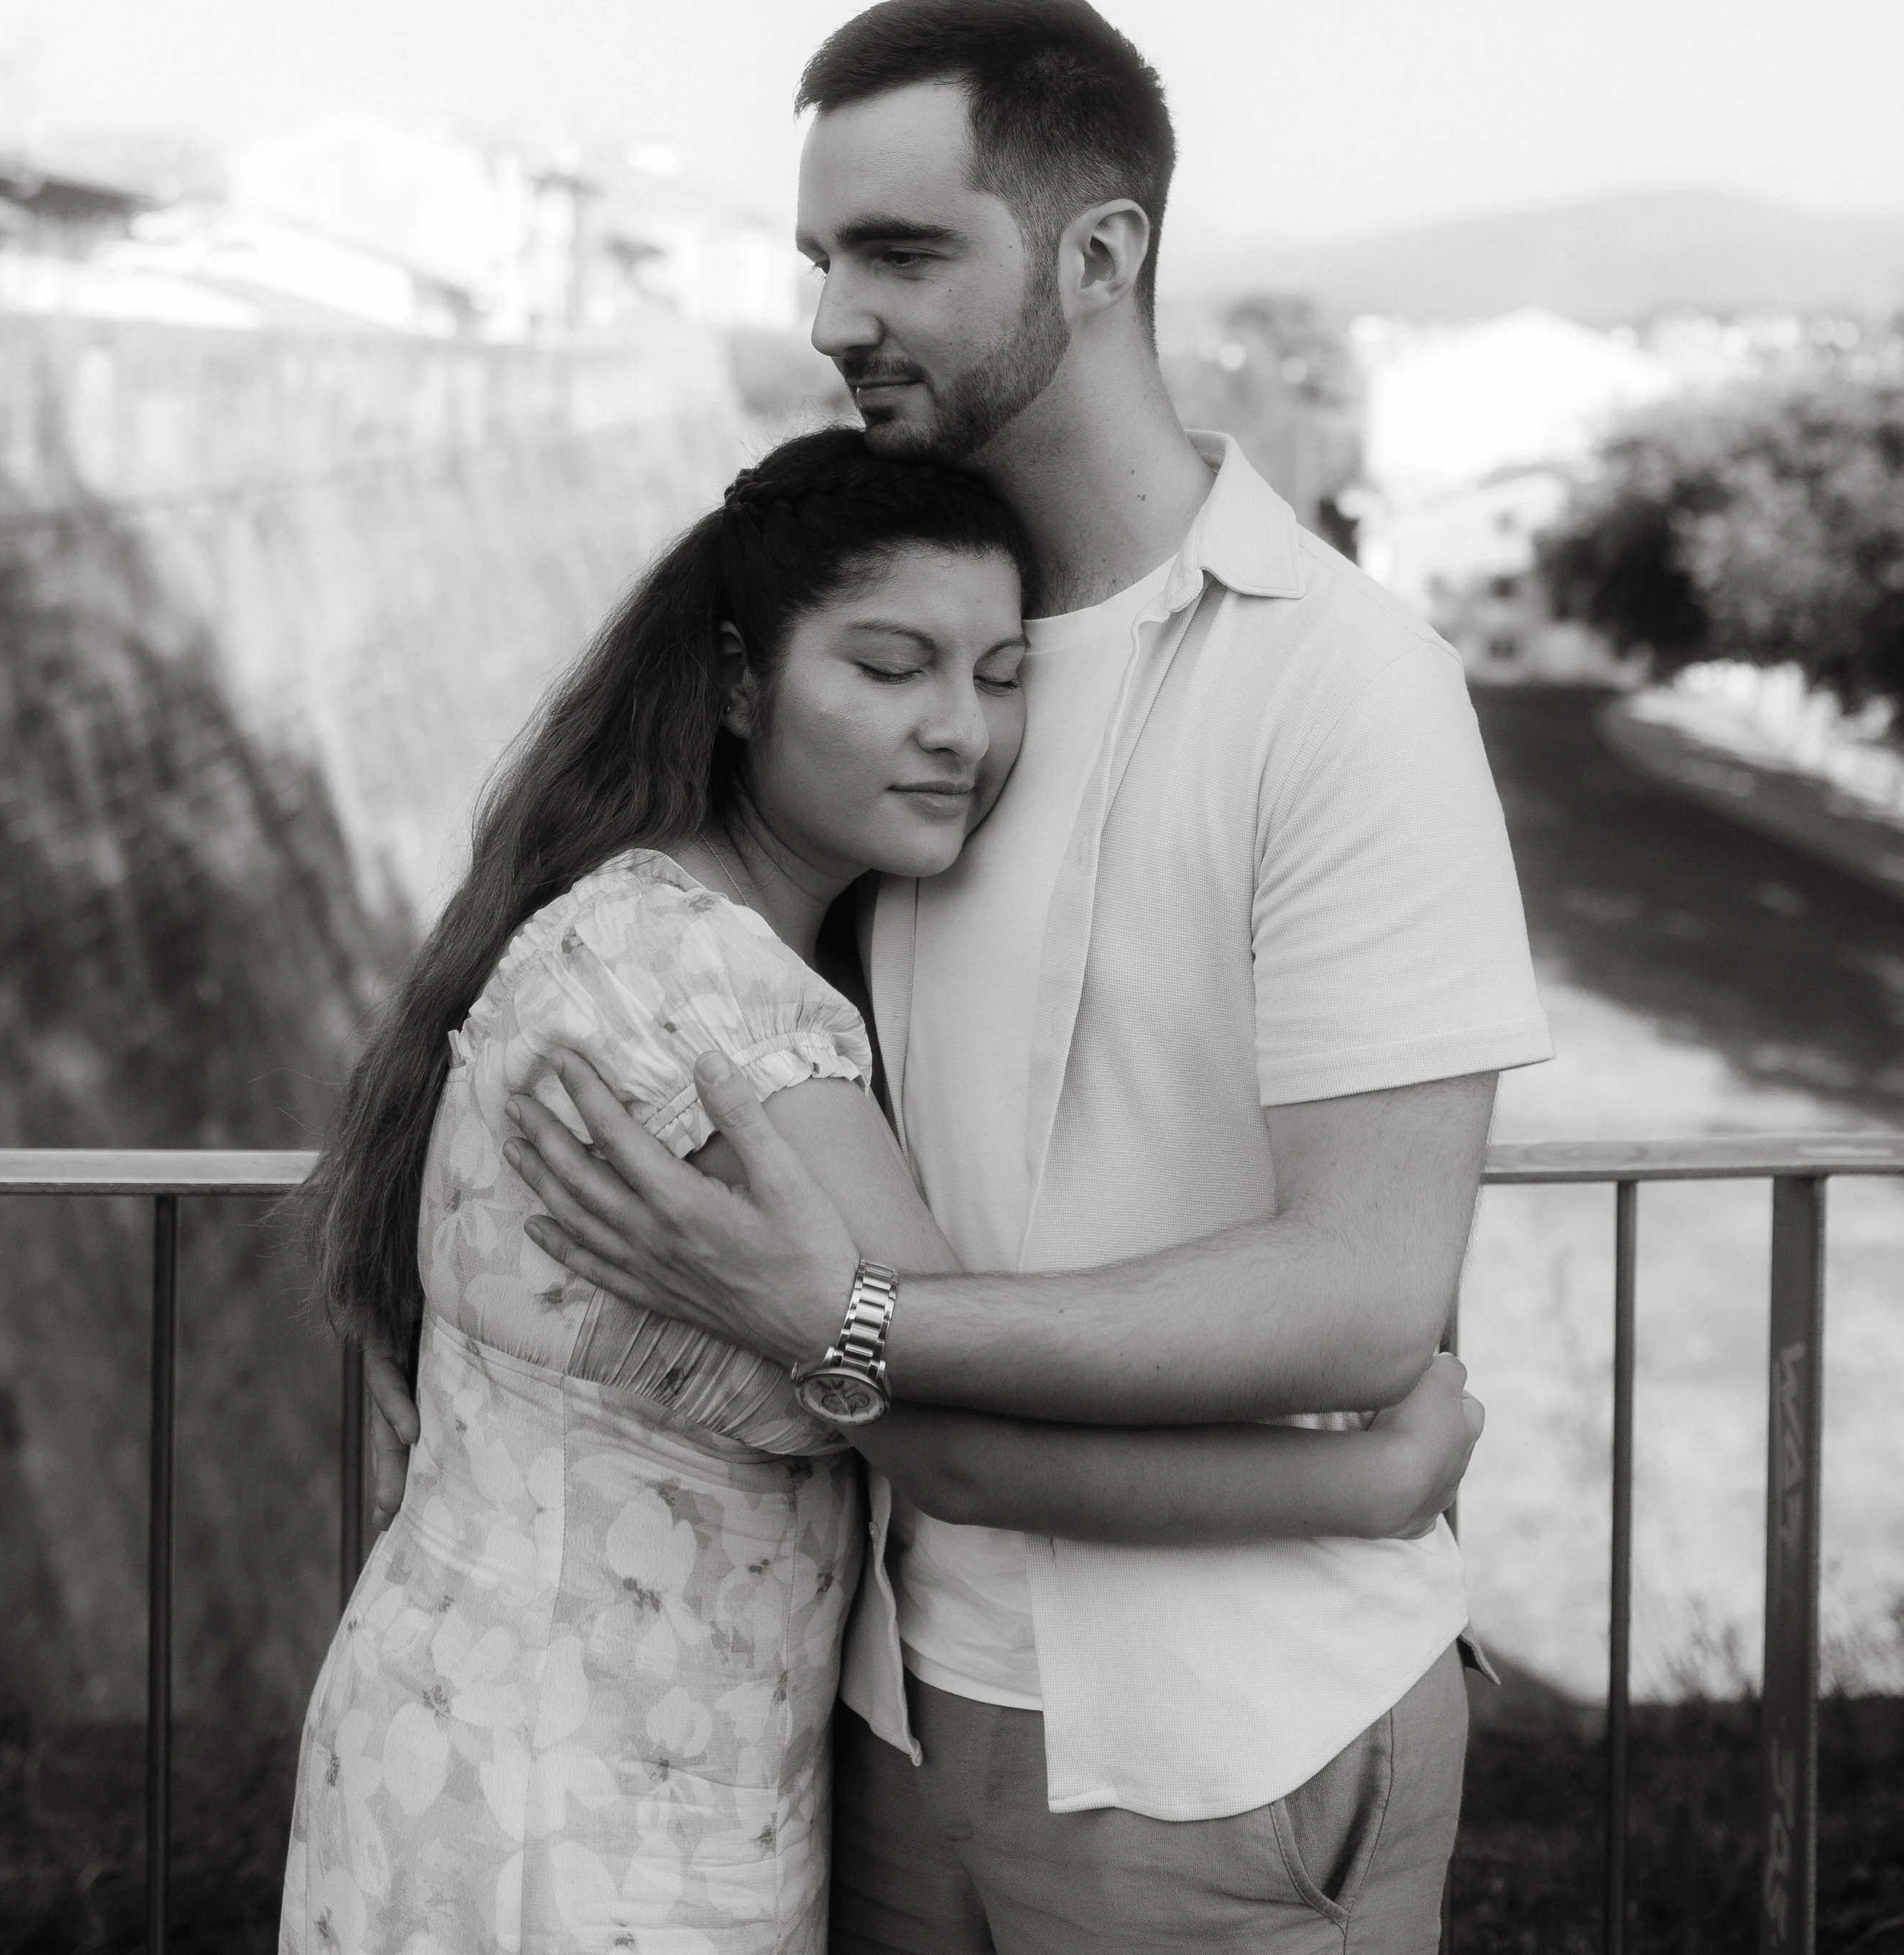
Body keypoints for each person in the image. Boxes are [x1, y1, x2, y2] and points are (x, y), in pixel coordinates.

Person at [499, 0, 1556, 1952]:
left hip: (1233, 1735)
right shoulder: (889, 677)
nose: (836, 316)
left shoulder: (1343, 683)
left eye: (902, 252)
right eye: (820, 258)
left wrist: (844, 1316)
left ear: (1098, 253)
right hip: (881, 1714)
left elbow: (1362, 1292)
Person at [286, 423, 1483, 1955]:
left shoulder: (625, 918)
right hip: (587, 1813)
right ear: (737, 681)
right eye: (892, 665)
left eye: (1000, 674)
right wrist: (1369, 1486)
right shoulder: (721, 1006)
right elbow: (958, 1442)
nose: (960, 730)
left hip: (487, 1740)